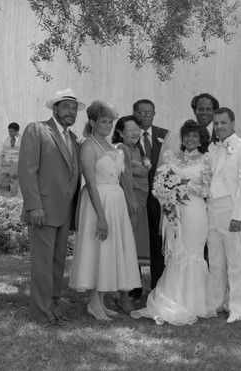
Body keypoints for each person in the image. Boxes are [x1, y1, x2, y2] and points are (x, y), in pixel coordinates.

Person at [131, 120, 216, 325]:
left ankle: (194, 301)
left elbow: (206, 191)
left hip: (195, 212)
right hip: (174, 213)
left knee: (193, 252)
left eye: (195, 136)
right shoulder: (172, 158)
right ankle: (173, 297)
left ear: (201, 139)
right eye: (187, 135)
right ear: (182, 138)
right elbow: (159, 185)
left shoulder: (206, 160)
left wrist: (182, 186)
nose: (190, 139)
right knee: (176, 252)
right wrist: (167, 193)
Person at [69, 101, 141, 320]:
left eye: (110, 121)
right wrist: (100, 216)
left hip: (115, 202)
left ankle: (100, 301)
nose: (108, 125)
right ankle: (93, 301)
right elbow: (89, 183)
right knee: (96, 249)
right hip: (97, 203)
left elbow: (120, 178)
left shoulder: (112, 147)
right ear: (92, 122)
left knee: (109, 251)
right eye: (103, 121)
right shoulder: (88, 146)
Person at [18, 88, 83, 326]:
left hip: (64, 211)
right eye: (66, 107)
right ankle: (40, 313)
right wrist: (34, 206)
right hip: (42, 210)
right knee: (42, 265)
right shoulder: (37, 129)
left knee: (57, 264)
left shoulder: (73, 138)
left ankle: (54, 307)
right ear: (54, 108)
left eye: (74, 108)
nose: (71, 112)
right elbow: (27, 170)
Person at [206, 107, 241, 323]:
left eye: (223, 123)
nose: (219, 127)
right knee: (216, 260)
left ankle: (237, 307)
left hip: (232, 209)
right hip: (212, 209)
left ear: (233, 123)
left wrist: (238, 216)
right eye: (216, 123)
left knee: (236, 262)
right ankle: (216, 303)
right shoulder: (212, 148)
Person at [112, 116, 151, 302]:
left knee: (135, 245)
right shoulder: (121, 149)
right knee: (128, 246)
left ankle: (134, 288)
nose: (135, 132)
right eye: (130, 129)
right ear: (120, 132)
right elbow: (125, 175)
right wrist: (130, 200)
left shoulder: (137, 148)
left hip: (140, 202)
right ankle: (124, 293)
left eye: (137, 129)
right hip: (131, 202)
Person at [133, 99, 169, 289]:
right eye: (142, 112)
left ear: (154, 114)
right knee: (133, 245)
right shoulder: (127, 134)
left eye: (150, 112)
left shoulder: (165, 135)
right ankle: (133, 289)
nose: (146, 115)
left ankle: (157, 287)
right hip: (136, 200)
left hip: (157, 201)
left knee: (157, 245)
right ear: (134, 113)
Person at [0, 122, 21, 196]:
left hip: (16, 165)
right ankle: (9, 185)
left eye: (11, 131)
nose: (9, 133)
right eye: (9, 131)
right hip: (6, 164)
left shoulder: (23, 139)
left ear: (17, 131)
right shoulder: (6, 139)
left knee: (13, 192)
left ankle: (13, 204)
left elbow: (25, 153)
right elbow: (2, 152)